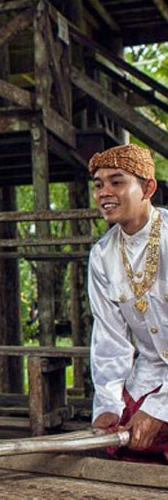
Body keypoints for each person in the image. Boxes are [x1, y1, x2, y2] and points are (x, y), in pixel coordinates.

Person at [88, 143, 168, 462]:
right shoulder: (102, 255)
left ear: (147, 187)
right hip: (150, 374)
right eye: (98, 184)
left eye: (117, 181)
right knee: (120, 440)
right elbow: (109, 338)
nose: (104, 192)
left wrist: (161, 408)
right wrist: (108, 404)